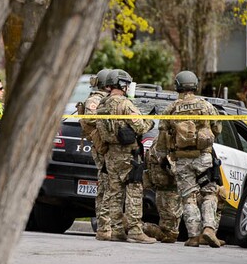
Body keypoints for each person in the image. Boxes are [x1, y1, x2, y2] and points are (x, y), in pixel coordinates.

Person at [161, 70, 222, 248]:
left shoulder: (171, 108)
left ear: (177, 86)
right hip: (203, 157)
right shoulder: (206, 106)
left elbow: (162, 135)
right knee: (209, 192)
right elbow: (217, 129)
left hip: (181, 159)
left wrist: (163, 156)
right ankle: (209, 229)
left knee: (188, 197)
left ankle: (194, 236)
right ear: (195, 85)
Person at [95, 69, 156, 244]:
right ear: (122, 84)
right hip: (128, 155)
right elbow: (141, 127)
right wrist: (150, 120)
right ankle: (135, 231)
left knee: (115, 193)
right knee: (134, 191)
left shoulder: (102, 104)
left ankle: (116, 230)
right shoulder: (125, 105)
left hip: (110, 155)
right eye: (126, 84)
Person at [78, 69, 113, 241]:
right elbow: (90, 119)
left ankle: (104, 222)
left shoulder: (106, 99)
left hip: (107, 147)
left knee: (105, 185)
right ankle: (102, 223)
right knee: (105, 185)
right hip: (101, 147)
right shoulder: (95, 100)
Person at [143, 129, 182, 243]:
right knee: (168, 232)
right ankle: (132, 225)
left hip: (171, 189)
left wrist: (168, 165)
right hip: (161, 187)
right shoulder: (158, 142)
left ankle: (133, 225)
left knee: (170, 234)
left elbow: (177, 170)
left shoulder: (175, 142)